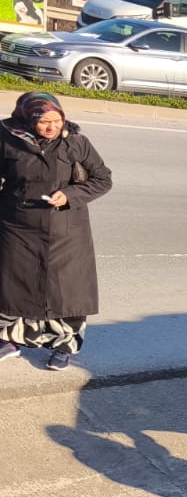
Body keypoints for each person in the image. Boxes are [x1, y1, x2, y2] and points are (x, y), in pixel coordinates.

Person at [0, 92, 114, 370]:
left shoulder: (75, 142)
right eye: (44, 122)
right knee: (13, 283)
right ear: (27, 119)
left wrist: (71, 194)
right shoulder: (6, 137)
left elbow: (103, 179)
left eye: (57, 120)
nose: (52, 127)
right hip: (17, 224)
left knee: (67, 289)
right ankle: (9, 340)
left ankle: (64, 346)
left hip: (65, 228)